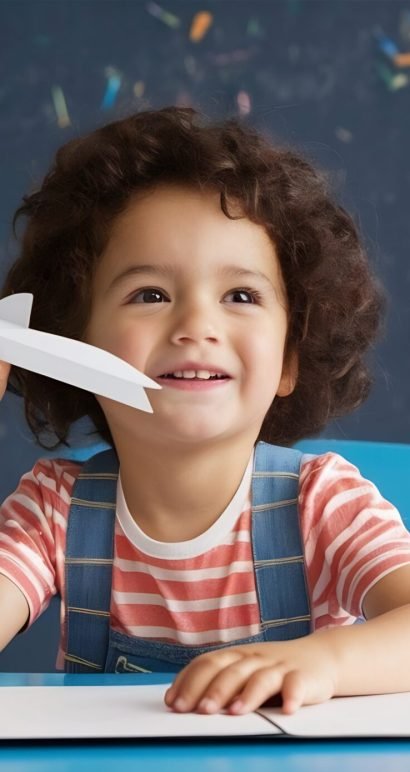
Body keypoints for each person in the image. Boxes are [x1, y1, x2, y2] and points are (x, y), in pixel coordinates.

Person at [0, 106, 409, 718]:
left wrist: (324, 661)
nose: (196, 325)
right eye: (150, 294)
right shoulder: (54, 512)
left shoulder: (325, 505)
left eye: (240, 295)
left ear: (290, 360)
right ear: (72, 347)